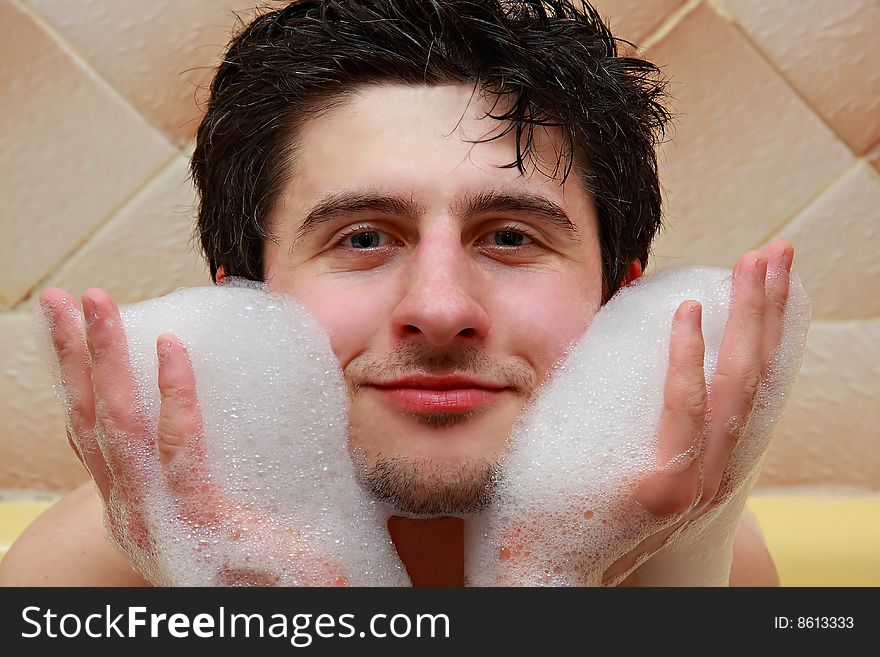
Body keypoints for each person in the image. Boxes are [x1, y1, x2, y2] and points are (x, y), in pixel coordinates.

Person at [0, 0, 785, 587]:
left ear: (619, 298)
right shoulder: (83, 585)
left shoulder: (693, 565)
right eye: (364, 238)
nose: (441, 310)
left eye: (511, 237)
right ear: (246, 294)